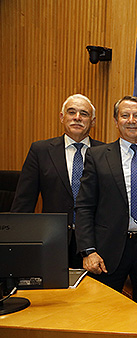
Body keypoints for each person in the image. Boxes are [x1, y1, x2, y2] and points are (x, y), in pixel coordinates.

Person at [75, 95, 137, 315]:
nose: (131, 120)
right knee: (100, 315)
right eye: (125, 115)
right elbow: (84, 207)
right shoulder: (97, 156)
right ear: (115, 120)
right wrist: (88, 251)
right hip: (105, 252)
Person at [11, 94, 103, 268]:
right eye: (71, 112)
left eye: (84, 114)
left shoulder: (106, 153)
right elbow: (24, 201)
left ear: (93, 121)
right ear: (62, 117)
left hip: (96, 244)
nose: (77, 117)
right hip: (53, 241)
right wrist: (17, 243)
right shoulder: (40, 151)